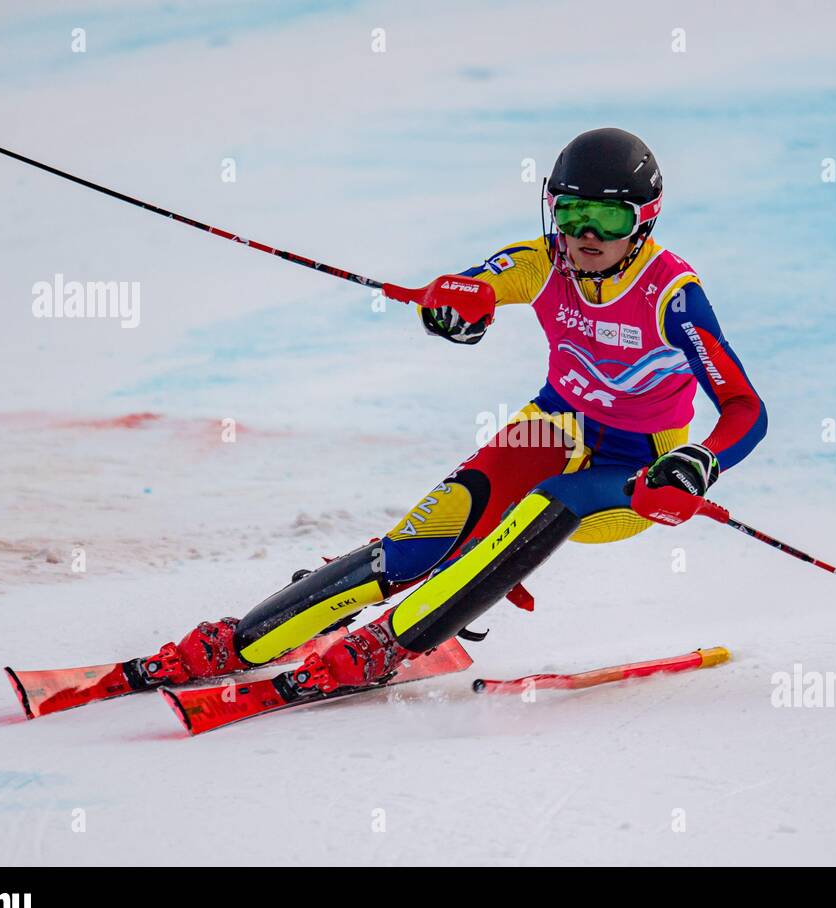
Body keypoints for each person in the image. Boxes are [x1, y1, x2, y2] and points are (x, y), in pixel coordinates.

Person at [135, 127, 768, 693]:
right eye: (573, 213)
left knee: (548, 504)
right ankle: (244, 640)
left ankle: (390, 643)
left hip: (638, 465)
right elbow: (469, 290)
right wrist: (450, 310)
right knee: (428, 535)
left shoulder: (671, 296)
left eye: (608, 216)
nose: (586, 235)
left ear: (644, 221)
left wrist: (698, 462)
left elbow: (745, 407)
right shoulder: (542, 262)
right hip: (554, 423)